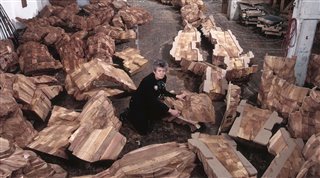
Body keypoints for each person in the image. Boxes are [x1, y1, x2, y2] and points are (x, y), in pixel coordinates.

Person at [125, 60, 186, 135]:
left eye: (163, 71)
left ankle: (147, 115)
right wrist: (170, 110)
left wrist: (176, 96)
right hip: (138, 104)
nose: (161, 73)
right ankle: (128, 115)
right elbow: (152, 101)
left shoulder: (163, 78)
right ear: (154, 71)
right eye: (159, 71)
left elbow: (163, 91)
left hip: (149, 102)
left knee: (156, 116)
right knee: (143, 131)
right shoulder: (147, 81)